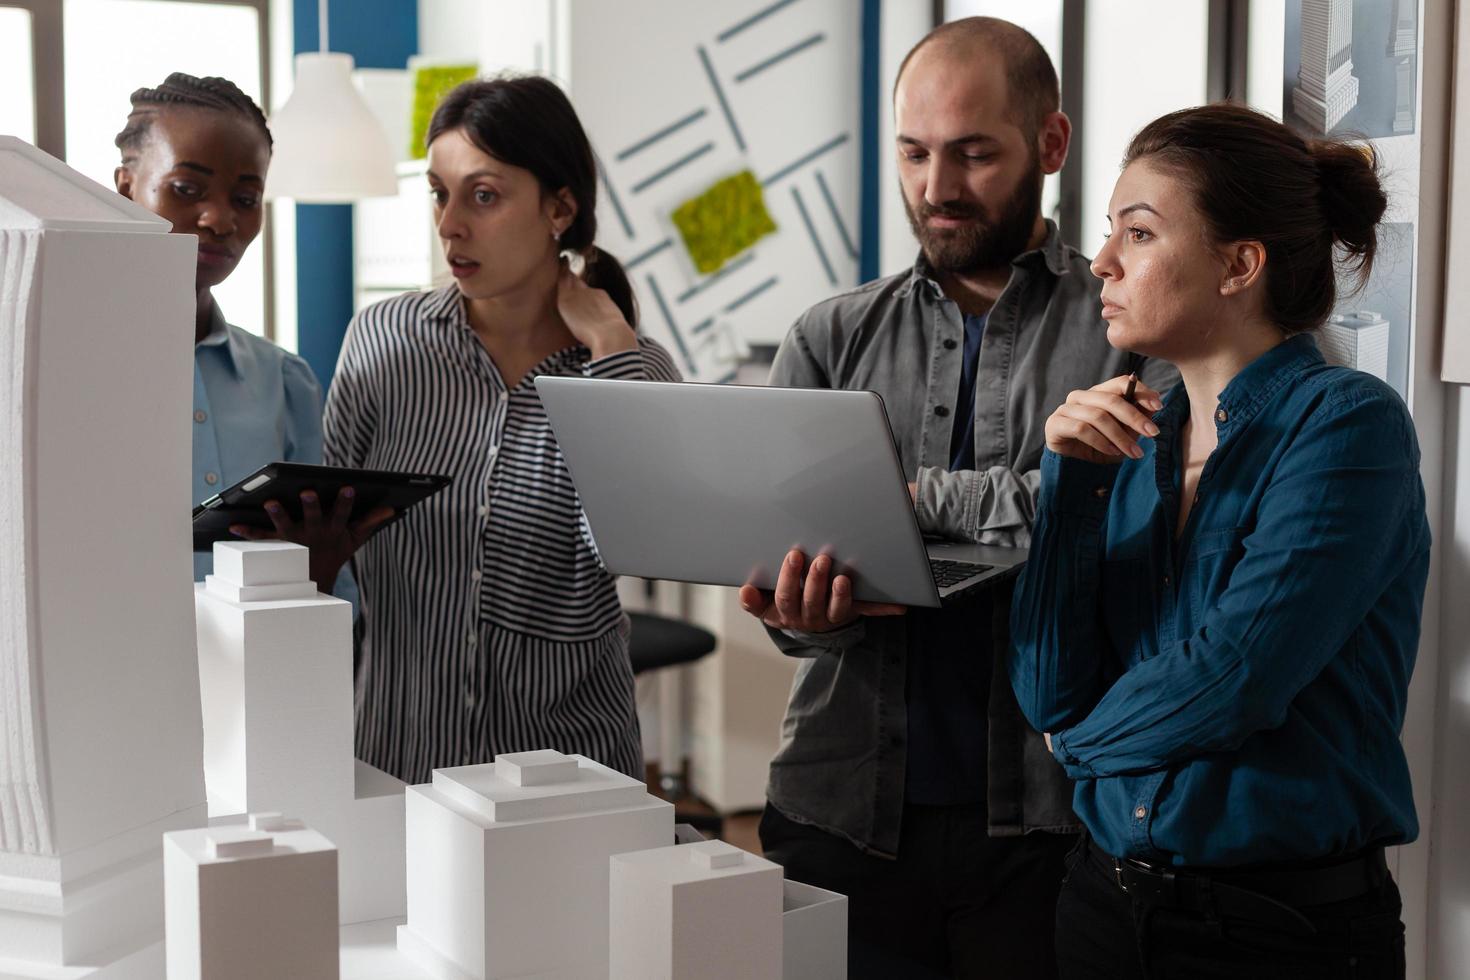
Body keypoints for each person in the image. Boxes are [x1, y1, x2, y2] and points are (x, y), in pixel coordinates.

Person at [739, 18, 1174, 978]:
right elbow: (791, 581)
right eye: (915, 152)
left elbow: (1140, 521)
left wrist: (906, 499)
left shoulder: (1132, 328)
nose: (937, 188)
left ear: (1051, 145)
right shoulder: (826, 337)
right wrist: (802, 613)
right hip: (840, 808)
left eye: (974, 154)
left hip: (1054, 823)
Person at [1009, 103, 1426, 979]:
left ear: (1239, 264)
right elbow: (1048, 693)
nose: (1103, 261)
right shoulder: (1127, 437)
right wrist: (1069, 483)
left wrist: (1076, 751)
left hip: (1278, 930)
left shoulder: (1348, 426)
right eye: (1110, 233)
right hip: (1102, 899)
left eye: (1141, 233)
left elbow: (1235, 676)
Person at [322, 76, 680, 786]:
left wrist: (611, 347)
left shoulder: (635, 372)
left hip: (571, 776)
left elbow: (642, 540)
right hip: (401, 758)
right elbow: (328, 547)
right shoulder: (382, 344)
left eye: (483, 196)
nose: (450, 223)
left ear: (560, 208)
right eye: (439, 193)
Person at [113, 72, 382, 593]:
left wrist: (321, 570)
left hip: (268, 667)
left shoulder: (285, 381)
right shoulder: (58, 368)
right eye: (187, 189)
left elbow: (327, 590)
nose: (219, 219)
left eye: (245, 197)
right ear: (125, 188)